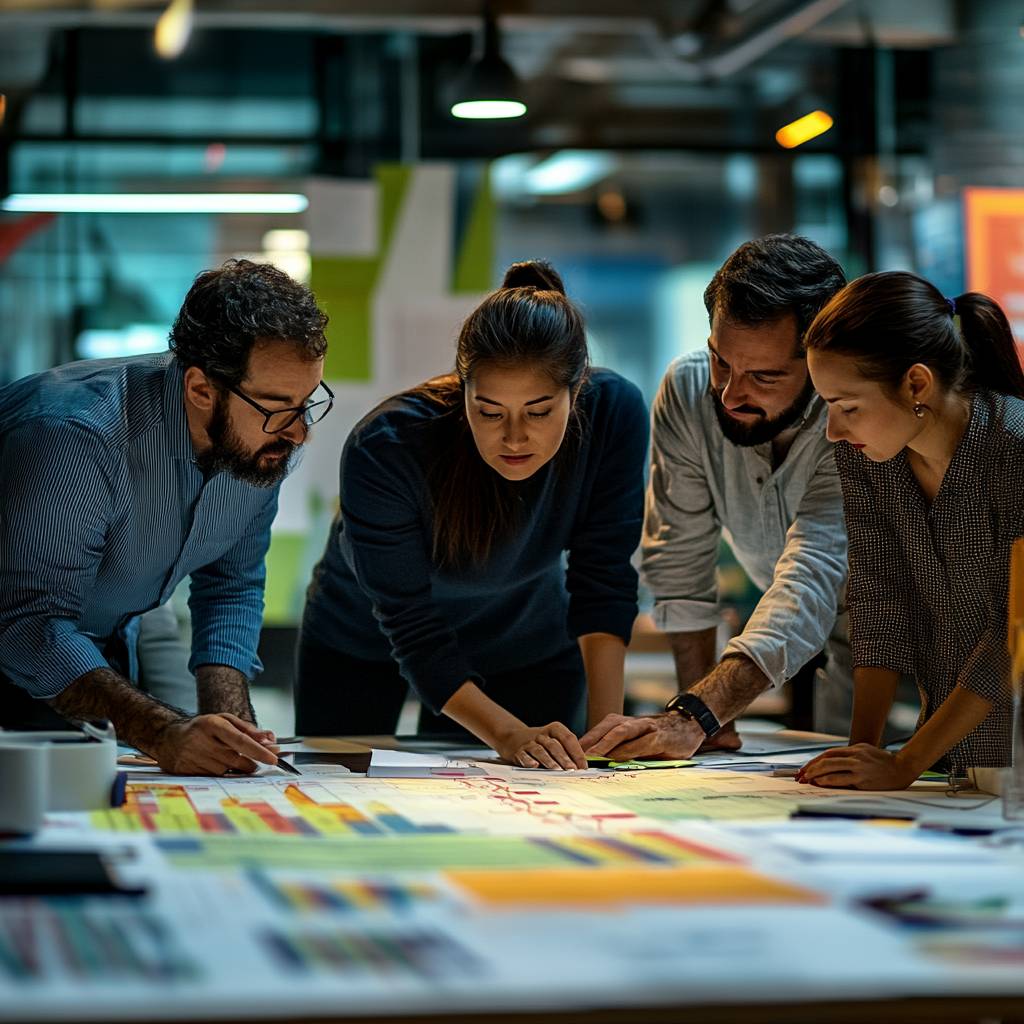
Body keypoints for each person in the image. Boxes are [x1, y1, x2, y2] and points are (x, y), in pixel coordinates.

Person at [296, 260, 647, 770]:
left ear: (577, 391)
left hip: (527, 643)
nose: (514, 436)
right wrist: (506, 734)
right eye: (489, 411)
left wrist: (605, 737)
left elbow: (604, 579)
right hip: (365, 640)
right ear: (462, 391)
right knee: (335, 791)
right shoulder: (387, 447)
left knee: (540, 799)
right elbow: (411, 627)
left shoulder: (614, 414)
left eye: (540, 410)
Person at [0, 259, 332, 776]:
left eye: (307, 402)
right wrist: (163, 730)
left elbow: (231, 581)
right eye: (277, 406)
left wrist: (229, 718)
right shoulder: (76, 436)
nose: (299, 433)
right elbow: (29, 624)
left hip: (95, 638)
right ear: (201, 389)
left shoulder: (258, 441)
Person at [581, 234, 851, 762]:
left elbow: (811, 573)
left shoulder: (847, 420)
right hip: (794, 642)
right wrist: (704, 721)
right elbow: (680, 558)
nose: (730, 394)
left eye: (765, 376)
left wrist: (697, 713)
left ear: (822, 363)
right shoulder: (687, 393)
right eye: (720, 362)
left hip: (901, 641)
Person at [797, 271, 1024, 789]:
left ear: (916, 384)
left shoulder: (1014, 448)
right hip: (950, 761)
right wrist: (862, 752)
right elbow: (879, 599)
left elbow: (1011, 637)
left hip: (1015, 755)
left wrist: (904, 764)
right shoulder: (870, 457)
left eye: (848, 407)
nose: (833, 430)